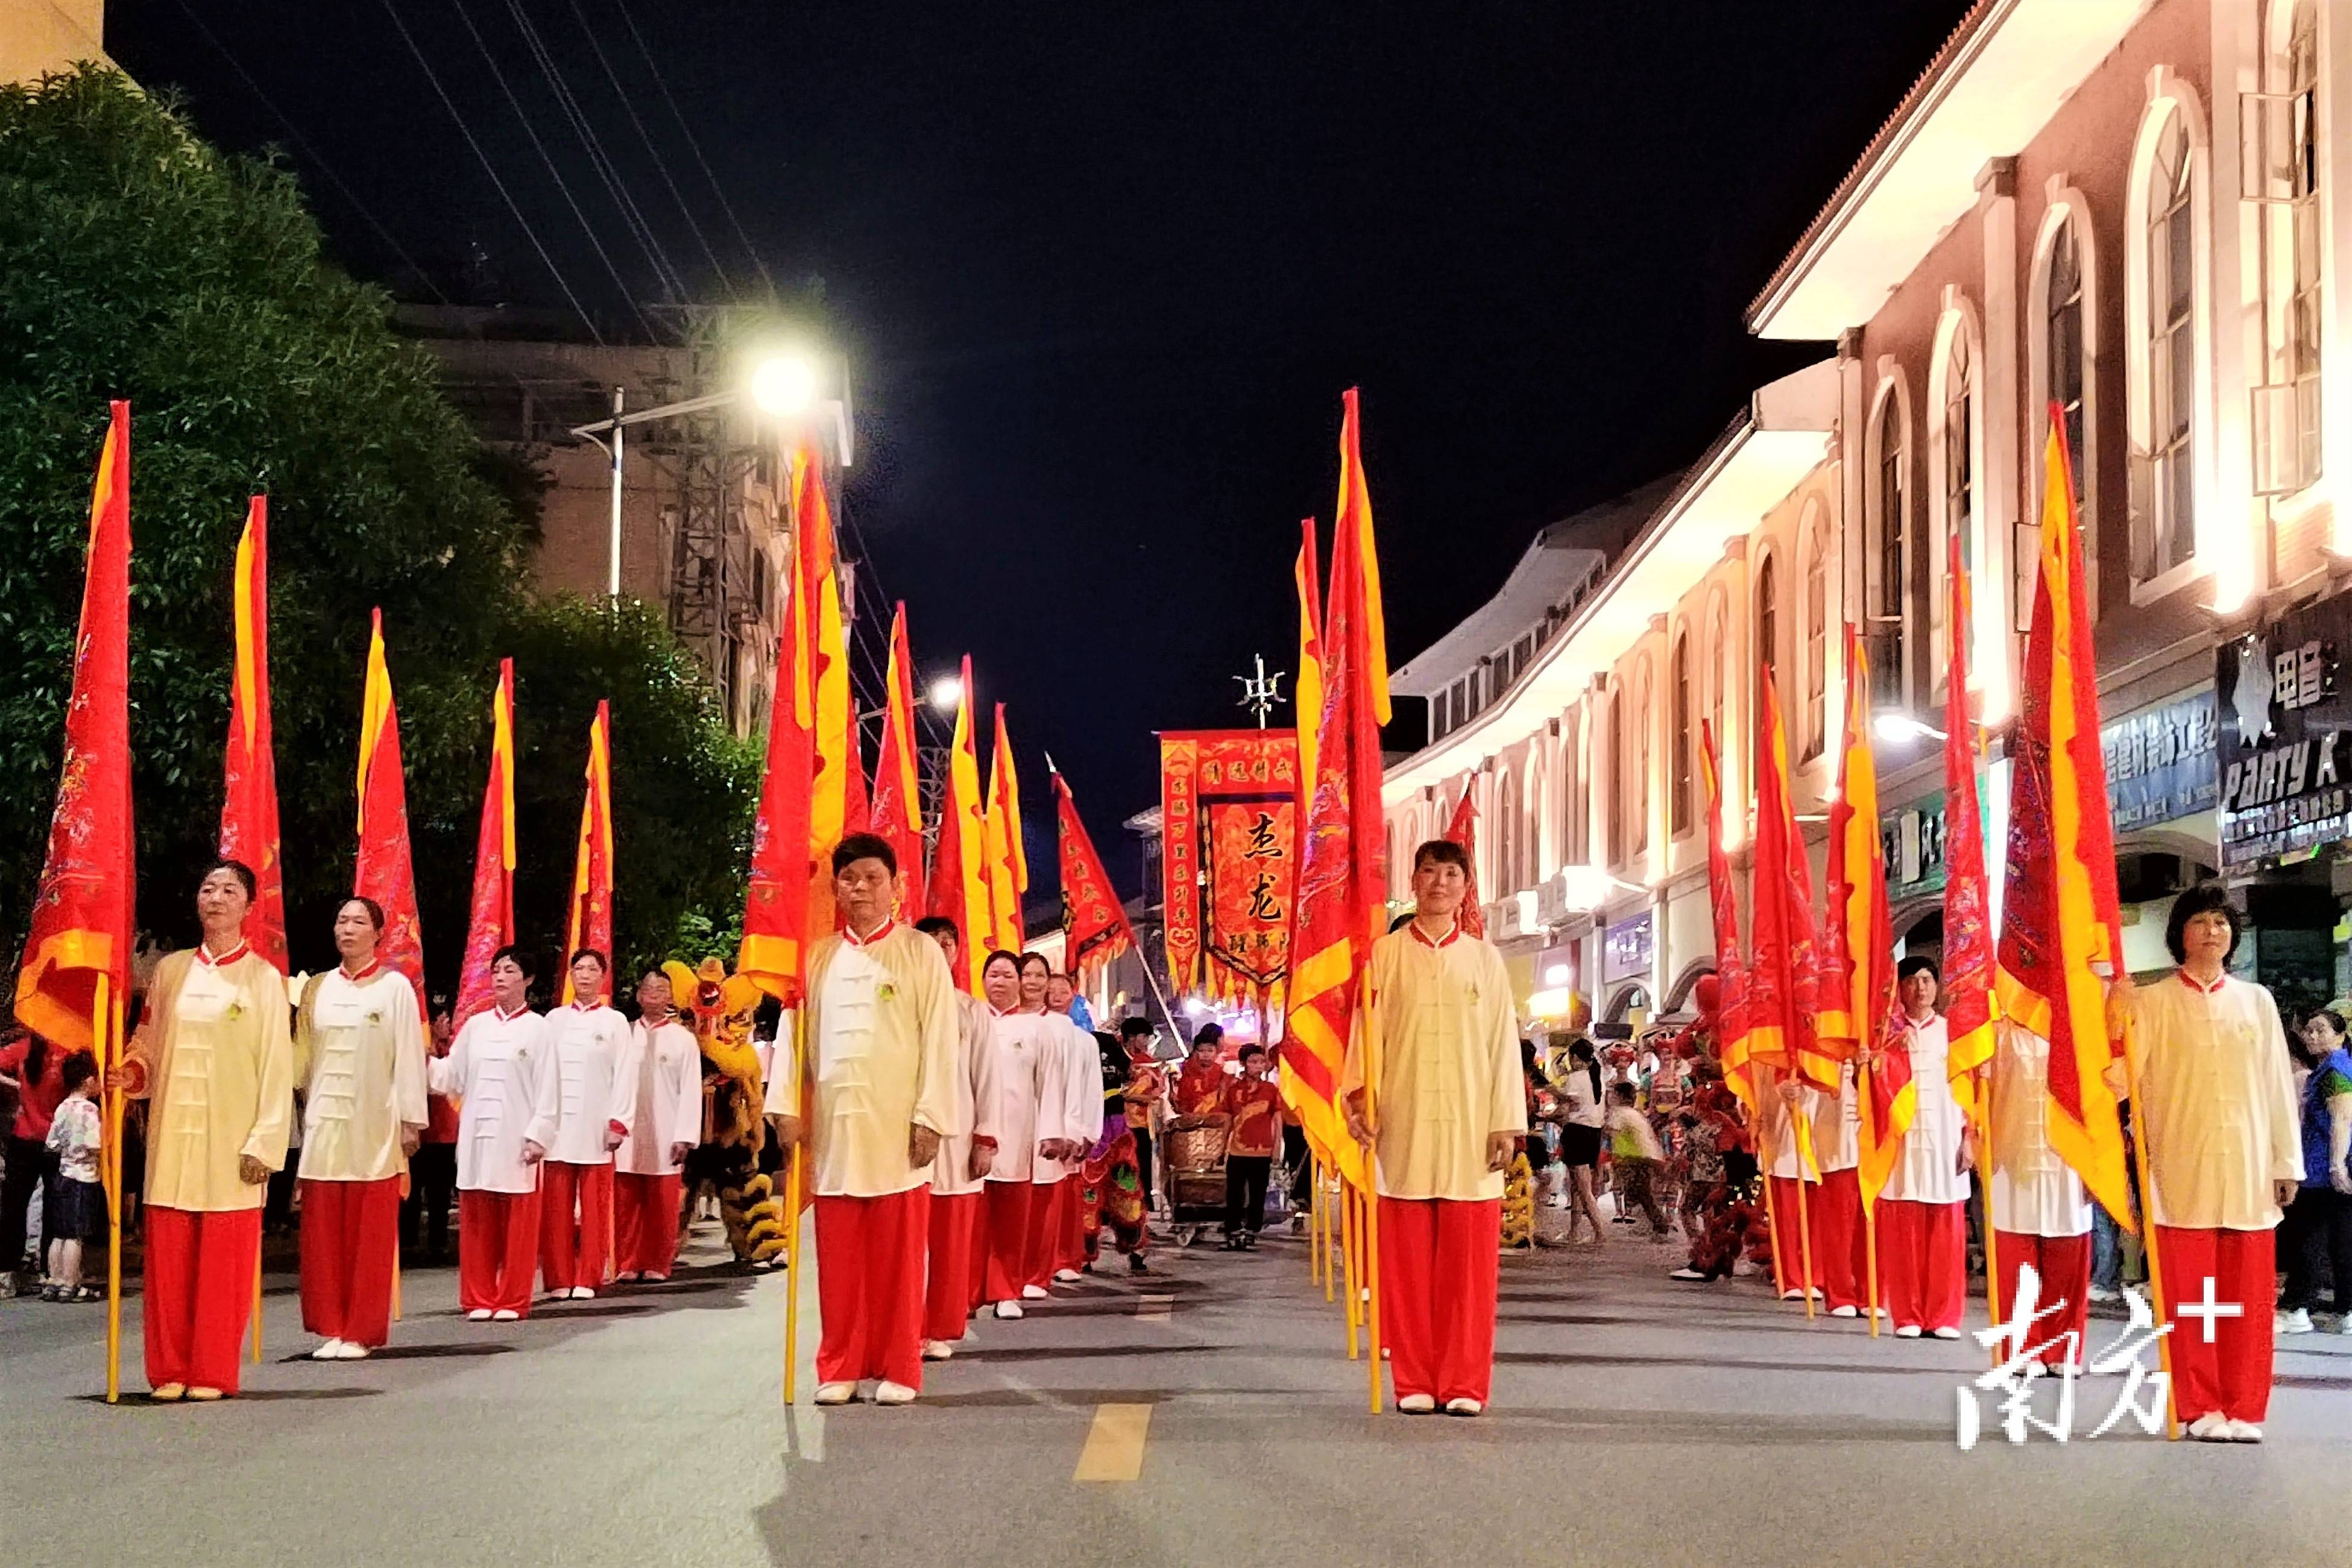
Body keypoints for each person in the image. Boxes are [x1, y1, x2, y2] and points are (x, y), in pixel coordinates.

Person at [766, 834, 960, 1406]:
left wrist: (931, 1116)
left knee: (899, 1260)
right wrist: (786, 1108)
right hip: (835, 1132)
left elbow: (941, 1040)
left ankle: (900, 1364)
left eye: (873, 878)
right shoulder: (816, 956)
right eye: (849, 879)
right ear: (835, 888)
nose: (861, 890)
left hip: (898, 1130)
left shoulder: (919, 953)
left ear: (895, 886)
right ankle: (839, 1364)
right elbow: (791, 1039)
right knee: (839, 1259)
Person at [2108, 885, 2301, 1441]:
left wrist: (2284, 1162)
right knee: (2191, 1298)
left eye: (2221, 921)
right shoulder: (2151, 1003)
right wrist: (2109, 1021)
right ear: (2180, 935)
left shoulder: (2257, 1001)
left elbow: (2275, 1087)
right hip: (2180, 1166)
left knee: (2248, 1297)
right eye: (2200, 921)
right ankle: (2196, 1404)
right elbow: (2120, 1080)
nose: (2212, 930)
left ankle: (2244, 1406)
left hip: (2246, 1166)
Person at [1342, 839, 1525, 1417]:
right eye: (1430, 872)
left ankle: (1465, 1382)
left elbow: (1502, 1047)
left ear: (1466, 887)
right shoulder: (1385, 954)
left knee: (1469, 1270)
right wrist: (1359, 1098)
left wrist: (1505, 1122)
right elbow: (1364, 1039)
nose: (1440, 883)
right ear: (1413, 882)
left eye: (1452, 873)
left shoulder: (1483, 958)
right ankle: (1414, 1380)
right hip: (1405, 1124)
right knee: (1406, 1264)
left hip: (1474, 1127)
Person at [106, 861, 296, 1401]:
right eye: (208, 888)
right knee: (168, 1260)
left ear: (248, 906)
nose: (216, 897)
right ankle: (168, 1366)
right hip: (173, 1137)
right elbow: (148, 1044)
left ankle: (212, 1369)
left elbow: (277, 1071)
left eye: (229, 890)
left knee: (223, 1265)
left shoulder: (263, 979)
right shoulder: (169, 972)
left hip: (232, 1144)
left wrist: (264, 1143)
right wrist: (132, 1072)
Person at [292, 896, 429, 1361]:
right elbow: (301, 1061)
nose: (347, 929)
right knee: (325, 1229)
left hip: (376, 1122)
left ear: (378, 934)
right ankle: (332, 1324)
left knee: (369, 1231)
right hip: (326, 1121)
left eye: (358, 922)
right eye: (341, 920)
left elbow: (409, 1056)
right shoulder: (317, 989)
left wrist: (410, 1120)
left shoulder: (395, 988)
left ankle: (362, 1328)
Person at [430, 948, 549, 1321]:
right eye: (496, 970)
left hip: (518, 1137)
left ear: (527, 980)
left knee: (517, 1221)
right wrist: (421, 1056)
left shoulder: (540, 1029)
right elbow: (451, 1077)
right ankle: (479, 1296)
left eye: (510, 970)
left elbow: (550, 1088)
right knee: (477, 1217)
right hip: (478, 1135)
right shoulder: (477, 1027)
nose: (499, 977)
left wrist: (538, 1135)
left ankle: (513, 1298)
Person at [914, 915, 998, 1360]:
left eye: (948, 942)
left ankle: (941, 1325)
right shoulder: (898, 1003)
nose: (940, 948)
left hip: (956, 1139)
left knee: (949, 1239)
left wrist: (985, 1137)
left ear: (956, 952)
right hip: (904, 1139)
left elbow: (987, 1077)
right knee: (906, 1240)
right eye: (930, 941)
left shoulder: (970, 1009)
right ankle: (903, 1325)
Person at [1986, 1019, 2093, 1369]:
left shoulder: (2077, 1022)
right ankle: (2022, 1346)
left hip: (2069, 1160)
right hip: (2014, 1155)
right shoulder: (1999, 1029)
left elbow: (2098, 1098)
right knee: (2017, 1261)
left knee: (2067, 1258)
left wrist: (2101, 1167)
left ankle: (2063, 1348)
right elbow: (1977, 1088)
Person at [529, 949, 632, 1302]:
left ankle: (589, 1275)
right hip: (557, 1127)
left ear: (603, 977)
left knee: (594, 1207)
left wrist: (619, 1122)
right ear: (570, 975)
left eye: (592, 969)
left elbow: (626, 1075)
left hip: (596, 1124)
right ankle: (558, 1277)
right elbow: (538, 1073)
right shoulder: (552, 1021)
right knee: (555, 1207)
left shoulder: (615, 1021)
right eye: (579, 969)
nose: (585, 975)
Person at [1878, 956, 1972, 1340]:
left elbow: (1972, 1092)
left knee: (1947, 1235)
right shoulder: (1887, 1036)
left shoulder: (1955, 1034)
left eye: (1927, 980)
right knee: (1905, 1235)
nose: (1920, 988)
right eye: (1912, 981)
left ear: (1937, 987)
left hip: (1947, 1140)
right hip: (1903, 1146)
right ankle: (1908, 1315)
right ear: (1900, 989)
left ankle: (1945, 1316)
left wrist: (1971, 1137)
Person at [971, 951, 1053, 1318]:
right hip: (968, 1137)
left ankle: (1006, 1290)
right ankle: (967, 1292)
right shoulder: (969, 1021)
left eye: (1007, 975)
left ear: (1020, 982)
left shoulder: (1036, 1029)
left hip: (1018, 1135)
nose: (999, 982)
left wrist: (1052, 1133)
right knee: (970, 1219)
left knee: (1011, 1219)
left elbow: (1049, 1086)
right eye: (993, 975)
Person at [613, 968, 699, 1284]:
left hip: (666, 1130)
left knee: (662, 1204)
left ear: (671, 997)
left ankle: (658, 1263)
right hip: (628, 1132)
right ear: (638, 995)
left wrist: (685, 1136)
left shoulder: (683, 1040)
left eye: (661, 990)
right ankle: (626, 1261)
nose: (654, 995)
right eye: (648, 989)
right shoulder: (624, 1035)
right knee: (626, 1203)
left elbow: (690, 1091)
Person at [2278, 1008, 2352, 1334]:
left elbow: (2343, 1117)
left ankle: (2299, 1308)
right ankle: (2345, 1311)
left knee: (2309, 1238)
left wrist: (2337, 1165)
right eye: (2308, 1031)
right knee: (2340, 1240)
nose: (2312, 1036)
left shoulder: (2336, 1069)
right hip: (2324, 1167)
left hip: (2325, 1170)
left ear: (2340, 1035)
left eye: (2321, 1030)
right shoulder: (2330, 1068)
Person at [1021, 953, 1086, 1296]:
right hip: (1010, 1128)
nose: (1031, 982)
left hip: (1050, 1125)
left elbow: (1075, 1085)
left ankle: (1040, 1271)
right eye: (1025, 974)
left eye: (1038, 976)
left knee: (1047, 1203)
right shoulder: (997, 1021)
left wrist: (1074, 1131)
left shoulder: (1067, 1032)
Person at [0, 1028, 70, 1298]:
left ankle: (6, 1272)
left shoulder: (24, 1047)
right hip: (56, 1141)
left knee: (13, 1208)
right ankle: (49, 1273)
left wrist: (16, 1087)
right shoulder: (68, 1049)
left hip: (23, 1137)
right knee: (54, 1207)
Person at [1045, 971, 1105, 1280]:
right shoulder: (1035, 1033)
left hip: (1072, 1131)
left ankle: (1067, 1259)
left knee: (1068, 1201)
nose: (1056, 996)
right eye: (1050, 989)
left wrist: (1088, 1133)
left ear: (1073, 996)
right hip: (1036, 1131)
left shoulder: (1085, 1042)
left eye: (1062, 991)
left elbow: (1093, 1090)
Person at [1079, 1028, 1151, 1274]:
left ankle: (1134, 1247)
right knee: (1087, 1192)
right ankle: (1083, 1253)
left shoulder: (1106, 1042)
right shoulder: (1062, 1038)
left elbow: (1130, 1073)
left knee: (1126, 1185)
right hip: (1086, 1131)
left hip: (1114, 1129)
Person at [39, 1050, 102, 1302]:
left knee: (59, 1231)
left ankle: (54, 1279)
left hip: (62, 1173)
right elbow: (94, 1143)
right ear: (88, 1081)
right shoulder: (88, 1110)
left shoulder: (63, 1107)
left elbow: (51, 1142)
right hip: (83, 1174)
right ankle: (71, 1281)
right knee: (75, 1234)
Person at [400, 998, 459, 1264]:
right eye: (444, 1021)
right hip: (421, 1133)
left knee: (439, 1193)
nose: (448, 1026)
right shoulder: (418, 1051)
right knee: (413, 1193)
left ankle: (438, 1242)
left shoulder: (452, 1050)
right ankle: (409, 1241)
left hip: (446, 1134)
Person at [1221, 1044, 1284, 1248]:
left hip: (1262, 1149)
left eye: (1261, 1062)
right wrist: (1222, 1147)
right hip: (1237, 1149)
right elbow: (1228, 1120)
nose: (1258, 1066)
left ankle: (1252, 1229)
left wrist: (1277, 1148)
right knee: (1234, 1193)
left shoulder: (1271, 1090)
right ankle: (1232, 1228)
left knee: (1258, 1193)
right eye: (1253, 1062)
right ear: (1244, 1064)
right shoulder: (1233, 1090)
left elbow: (1277, 1119)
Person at [1554, 1039, 1609, 1247]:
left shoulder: (1576, 1078)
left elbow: (1567, 1107)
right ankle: (1574, 1232)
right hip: (1594, 1133)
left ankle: (1600, 1232)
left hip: (1577, 1132)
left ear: (1575, 1058)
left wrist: (1548, 1116)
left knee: (1583, 1188)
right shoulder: (1597, 1076)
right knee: (1578, 1186)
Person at [1604, 1082, 1670, 1240]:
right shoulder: (1634, 1113)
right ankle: (1657, 1225)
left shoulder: (1620, 1113)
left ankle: (1660, 1227)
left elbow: (1611, 1132)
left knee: (1641, 1194)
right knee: (1641, 1193)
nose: (1610, 1097)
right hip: (1647, 1157)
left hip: (1637, 1158)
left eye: (1613, 1094)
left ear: (1620, 1097)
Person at [1118, 1019, 1165, 1211]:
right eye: (1144, 1037)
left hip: (1143, 1122)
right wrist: (1136, 1096)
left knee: (1143, 1163)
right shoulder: (1118, 1060)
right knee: (1122, 1164)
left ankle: (1144, 1204)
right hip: (1119, 1122)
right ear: (1131, 1038)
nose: (1147, 1041)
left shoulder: (1149, 1063)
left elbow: (1159, 1088)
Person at [1174, 1026, 1227, 1116]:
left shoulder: (1222, 1072)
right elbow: (1182, 1102)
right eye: (1202, 1051)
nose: (1206, 1054)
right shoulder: (1189, 1071)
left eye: (1210, 1051)